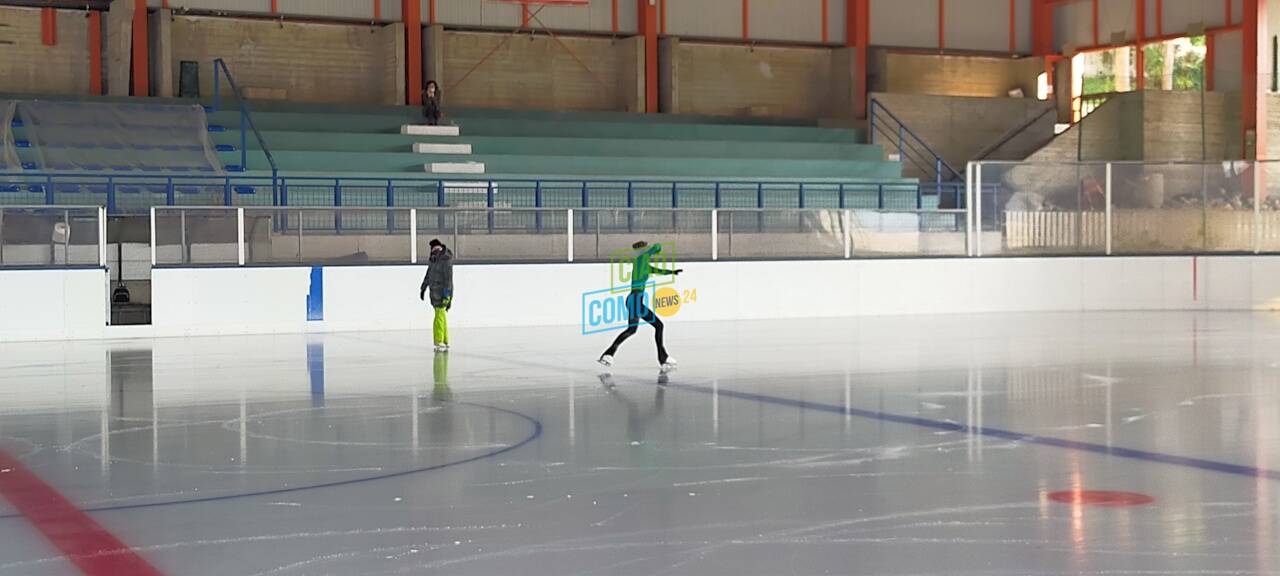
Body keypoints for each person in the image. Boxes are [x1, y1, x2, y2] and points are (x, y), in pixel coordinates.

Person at [598, 241, 683, 372]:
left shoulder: (643, 266)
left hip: (633, 299)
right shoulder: (641, 259)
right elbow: (656, 247)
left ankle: (608, 354)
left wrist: (672, 272)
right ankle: (663, 357)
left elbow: (658, 270)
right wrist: (652, 248)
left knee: (632, 330)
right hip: (636, 300)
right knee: (658, 326)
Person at [419, 238, 453, 351]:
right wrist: (423, 287)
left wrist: (447, 295)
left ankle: (439, 340)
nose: (433, 250)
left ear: (439, 247)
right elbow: (428, 274)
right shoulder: (433, 260)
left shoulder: (445, 260)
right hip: (434, 293)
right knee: (441, 316)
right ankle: (444, 339)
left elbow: (448, 280)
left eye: (434, 248)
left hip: (442, 293)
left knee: (439, 316)